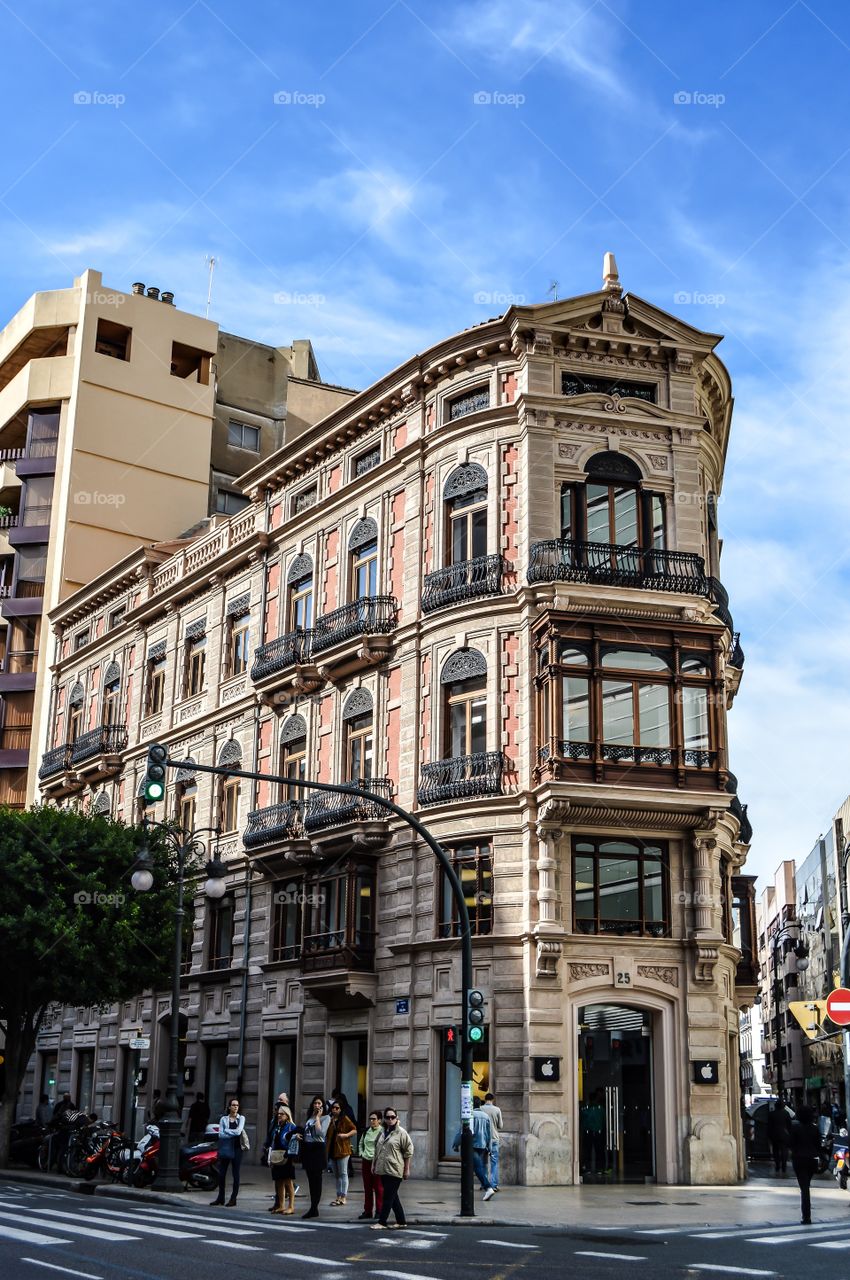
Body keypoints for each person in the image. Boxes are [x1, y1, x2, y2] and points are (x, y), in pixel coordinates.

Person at [371, 1108, 414, 1230]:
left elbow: (408, 1152)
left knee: (388, 1197)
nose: (390, 1120)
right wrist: (373, 1164)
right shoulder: (382, 1132)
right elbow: (377, 1150)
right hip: (383, 1169)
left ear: (396, 1118)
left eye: (393, 1117)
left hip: (395, 1170)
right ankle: (401, 1221)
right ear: (384, 1119)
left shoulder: (401, 1133)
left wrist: (407, 1169)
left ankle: (382, 1222)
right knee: (393, 1196)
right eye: (388, 1117)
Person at [263, 1102, 299, 1215]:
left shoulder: (291, 1126)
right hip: (276, 1155)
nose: (279, 1116)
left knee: (288, 1182)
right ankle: (281, 1205)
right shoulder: (277, 1126)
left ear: (287, 1115)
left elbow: (293, 1139)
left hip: (286, 1156)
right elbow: (274, 1140)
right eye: (278, 1114)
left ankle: (291, 1206)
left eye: (282, 1114)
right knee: (278, 1181)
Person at [210, 1097, 246, 1207]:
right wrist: (232, 1132)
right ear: (229, 1107)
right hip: (226, 1148)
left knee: (236, 1174)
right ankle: (220, 1197)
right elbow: (221, 1134)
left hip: (237, 1148)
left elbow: (239, 1131)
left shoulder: (241, 1118)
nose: (235, 1107)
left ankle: (233, 1198)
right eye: (233, 1105)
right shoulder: (223, 1119)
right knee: (222, 1174)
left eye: (237, 1105)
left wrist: (227, 1131)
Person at [790, 1104, 820, 1224]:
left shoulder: (796, 1128)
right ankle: (806, 1215)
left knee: (804, 1188)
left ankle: (806, 1216)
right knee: (806, 1186)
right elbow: (818, 1145)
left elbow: (791, 1143)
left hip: (799, 1159)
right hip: (812, 1159)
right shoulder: (815, 1128)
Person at [300, 1095, 330, 1219]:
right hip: (308, 1148)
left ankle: (314, 1207)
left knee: (317, 1180)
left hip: (318, 1149)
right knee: (310, 1179)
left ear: (323, 1106)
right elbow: (307, 1133)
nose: (317, 1105)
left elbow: (321, 1133)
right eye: (315, 1103)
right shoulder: (309, 1117)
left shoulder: (326, 1117)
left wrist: (318, 1117)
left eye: (319, 1103)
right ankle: (313, 1206)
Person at [326, 1100, 358, 1206]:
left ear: (341, 1109)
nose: (334, 1109)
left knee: (343, 1173)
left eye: (337, 1108)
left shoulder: (344, 1119)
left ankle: (343, 1196)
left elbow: (354, 1129)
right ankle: (338, 1196)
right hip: (332, 1150)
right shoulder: (329, 1119)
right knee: (336, 1175)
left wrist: (346, 1135)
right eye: (333, 1108)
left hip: (343, 1150)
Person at [358, 1110, 384, 1220]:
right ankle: (368, 1211)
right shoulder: (366, 1131)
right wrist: (361, 1153)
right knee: (367, 1188)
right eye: (370, 1119)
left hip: (377, 1162)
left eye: (374, 1119)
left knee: (378, 1188)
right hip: (366, 1161)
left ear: (379, 1120)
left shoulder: (383, 1131)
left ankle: (379, 1211)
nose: (372, 1121)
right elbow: (360, 1143)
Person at [480, 1092, 503, 1191]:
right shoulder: (497, 1110)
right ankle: (494, 1185)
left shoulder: (480, 1109)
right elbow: (500, 1126)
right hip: (494, 1139)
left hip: (483, 1139)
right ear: (492, 1099)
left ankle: (484, 1184)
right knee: (494, 1163)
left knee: (483, 1162)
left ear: (485, 1099)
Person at [767, 1101, 791, 1175]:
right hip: (784, 1135)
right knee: (784, 1151)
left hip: (774, 1135)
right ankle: (784, 1166)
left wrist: (769, 1135)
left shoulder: (771, 1114)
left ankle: (777, 1165)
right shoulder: (786, 1114)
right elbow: (789, 1125)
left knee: (776, 1151)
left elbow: (769, 1126)